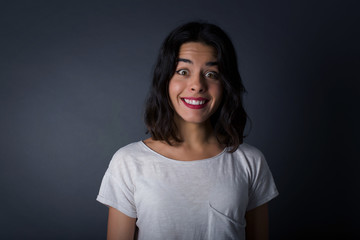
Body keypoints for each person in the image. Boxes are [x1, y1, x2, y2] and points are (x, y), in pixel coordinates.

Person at [96, 21, 279, 240]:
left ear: (226, 85)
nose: (197, 85)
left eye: (211, 74)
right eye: (183, 71)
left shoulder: (250, 161)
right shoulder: (128, 162)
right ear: (165, 81)